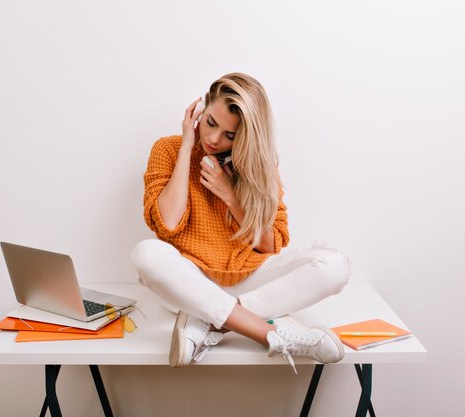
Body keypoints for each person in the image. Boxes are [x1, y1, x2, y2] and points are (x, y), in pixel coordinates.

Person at [130, 72, 350, 372]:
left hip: (245, 282)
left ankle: (209, 321)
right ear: (199, 112)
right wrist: (186, 147)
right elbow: (167, 223)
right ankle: (268, 333)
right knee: (146, 254)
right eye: (210, 123)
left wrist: (230, 196)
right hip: (190, 284)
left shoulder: (260, 165)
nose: (213, 139)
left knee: (334, 266)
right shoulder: (168, 149)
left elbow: (271, 244)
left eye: (230, 135)